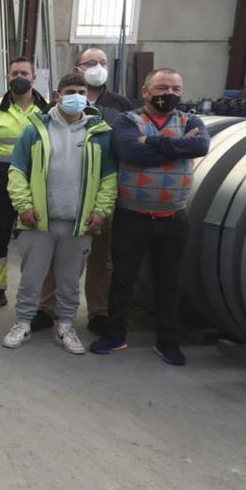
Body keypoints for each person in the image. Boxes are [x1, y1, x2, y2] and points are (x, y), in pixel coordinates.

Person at [90, 68, 209, 366]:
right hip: (132, 216)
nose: (169, 94)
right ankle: (115, 335)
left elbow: (201, 145)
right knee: (122, 279)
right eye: (162, 88)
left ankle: (168, 341)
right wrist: (177, 147)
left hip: (173, 218)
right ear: (145, 92)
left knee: (169, 283)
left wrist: (151, 143)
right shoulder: (128, 121)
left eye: (175, 89)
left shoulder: (190, 120)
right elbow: (129, 152)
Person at [1, 74, 117, 354]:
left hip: (78, 224)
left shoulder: (100, 134)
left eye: (81, 91)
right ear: (58, 96)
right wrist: (24, 205)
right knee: (31, 278)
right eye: (70, 91)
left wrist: (101, 211)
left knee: (69, 281)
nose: (76, 96)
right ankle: (23, 322)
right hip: (38, 221)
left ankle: (65, 325)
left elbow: (108, 177)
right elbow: (17, 170)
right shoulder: (35, 129)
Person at [31, 48, 138, 334]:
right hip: (63, 192)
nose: (98, 67)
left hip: (102, 191)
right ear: (77, 68)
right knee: (56, 254)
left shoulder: (122, 105)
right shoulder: (55, 108)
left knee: (101, 258)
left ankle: (98, 313)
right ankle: (45, 307)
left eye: (103, 62)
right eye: (92, 62)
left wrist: (105, 200)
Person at [0, 57, 51, 310]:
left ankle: (33, 294)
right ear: (7, 77)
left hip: (37, 188)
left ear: (33, 78)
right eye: (14, 72)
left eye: (24, 73)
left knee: (35, 242)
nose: (19, 77)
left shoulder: (48, 112)